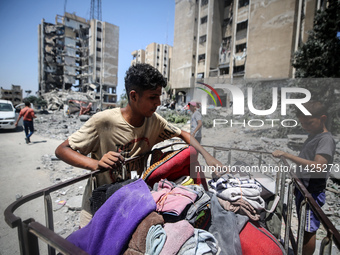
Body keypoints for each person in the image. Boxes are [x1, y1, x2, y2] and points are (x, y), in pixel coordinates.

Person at [55, 63, 222, 227]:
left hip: (131, 200)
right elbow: (62, 150)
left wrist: (208, 157)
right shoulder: (104, 121)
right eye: (152, 97)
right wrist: (95, 164)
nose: (158, 102)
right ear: (134, 96)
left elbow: (183, 134)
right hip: (99, 203)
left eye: (159, 96)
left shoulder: (154, 121)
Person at [272, 101, 335, 255]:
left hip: (311, 192)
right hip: (304, 188)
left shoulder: (325, 139)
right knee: (303, 226)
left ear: (322, 118)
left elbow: (319, 166)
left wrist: (287, 155)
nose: (306, 127)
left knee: (308, 230)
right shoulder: (314, 135)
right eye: (302, 123)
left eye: (309, 123)